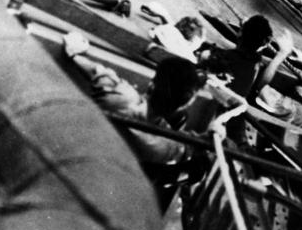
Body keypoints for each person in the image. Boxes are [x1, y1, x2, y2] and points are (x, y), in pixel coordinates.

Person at [64, 33, 205, 208]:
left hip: (72, 165)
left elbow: (98, 73)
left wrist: (75, 54)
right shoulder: (168, 147)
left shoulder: (122, 97)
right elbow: (190, 148)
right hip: (104, 192)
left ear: (152, 85)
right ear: (182, 105)